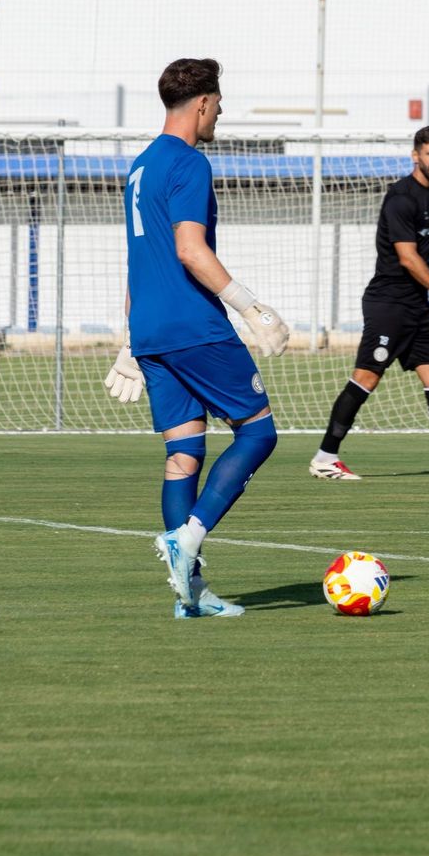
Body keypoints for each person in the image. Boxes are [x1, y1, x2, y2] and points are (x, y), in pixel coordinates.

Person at [103, 57, 291, 616]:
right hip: (193, 325)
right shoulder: (189, 162)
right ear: (203, 102)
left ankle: (192, 593)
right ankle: (187, 538)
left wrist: (130, 340)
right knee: (258, 433)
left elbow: (140, 259)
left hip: (151, 331)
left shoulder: (141, 166)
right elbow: (189, 250)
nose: (221, 113)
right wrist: (252, 308)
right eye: (220, 103)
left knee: (183, 453)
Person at [308, 125, 429, 482]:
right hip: (389, 304)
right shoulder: (402, 197)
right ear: (415, 156)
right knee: (367, 377)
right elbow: (407, 258)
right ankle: (325, 457)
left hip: (416, 306)